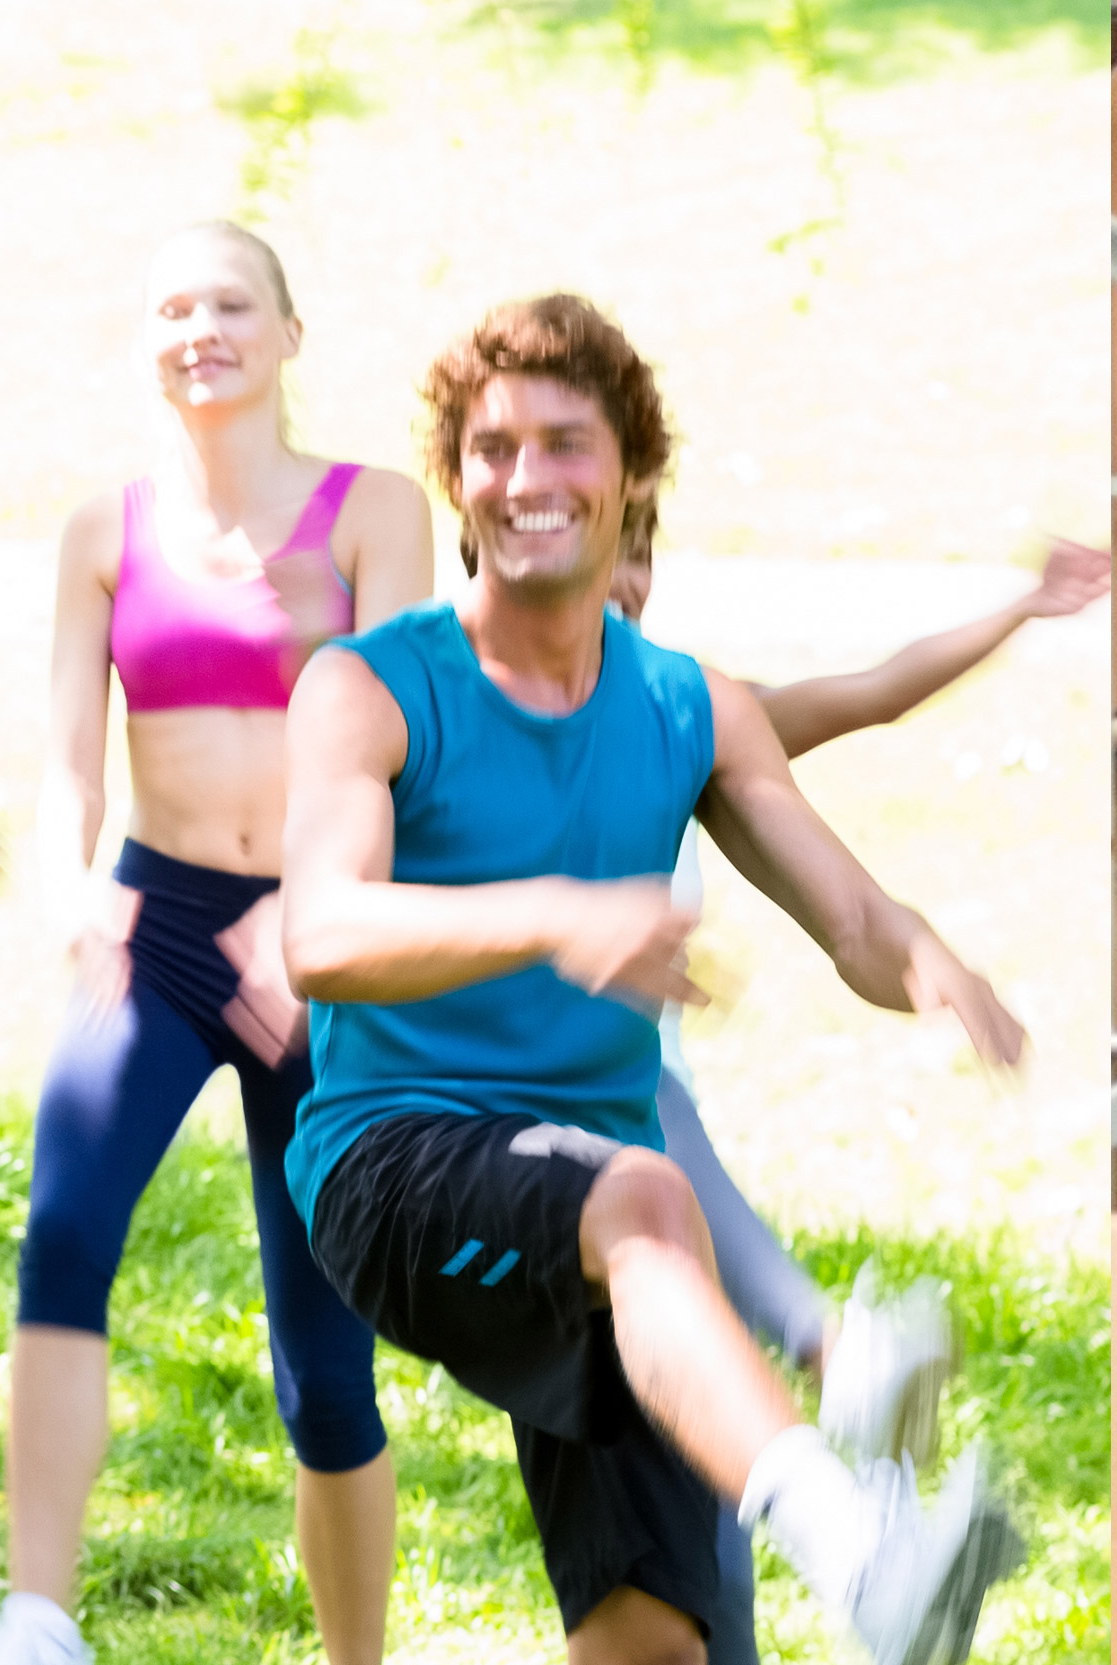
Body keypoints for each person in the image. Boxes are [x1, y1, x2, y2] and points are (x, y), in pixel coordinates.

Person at [273, 293, 1027, 1665]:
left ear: (631, 476)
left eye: (566, 443)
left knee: (659, 1641)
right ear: (454, 481)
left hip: (628, 1247)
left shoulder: (691, 704)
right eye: (492, 449)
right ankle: (860, 1553)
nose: (527, 479)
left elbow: (853, 918)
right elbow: (320, 935)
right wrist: (555, 915)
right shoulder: (374, 688)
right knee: (641, 1190)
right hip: (397, 1163)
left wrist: (925, 960)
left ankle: (846, 1560)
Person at [0, 223, 438, 1665]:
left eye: (232, 303)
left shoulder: (377, 513)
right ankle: (38, 1619)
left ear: (291, 333)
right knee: (64, 1231)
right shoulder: (102, 535)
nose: (201, 328)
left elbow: (418, 743)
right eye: (173, 307)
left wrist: (312, 926)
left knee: (324, 1354)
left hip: (319, 937)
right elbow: (68, 760)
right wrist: (68, 892)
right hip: (159, 925)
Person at [597, 527, 1104, 1665]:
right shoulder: (458, 710)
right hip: (548, 1137)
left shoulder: (684, 716)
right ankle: (833, 1347)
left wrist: (1021, 608)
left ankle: (831, 1366)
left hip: (647, 1155)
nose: (619, 576)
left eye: (639, 545)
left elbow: (870, 693)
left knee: (699, 1509)